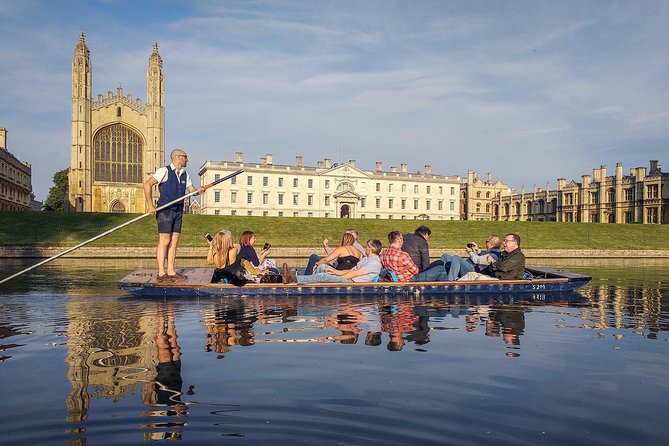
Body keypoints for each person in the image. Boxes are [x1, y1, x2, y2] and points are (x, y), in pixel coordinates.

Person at [144, 148, 204, 282]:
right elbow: (147, 184)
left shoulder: (184, 174)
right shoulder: (164, 171)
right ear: (177, 157)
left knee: (174, 242)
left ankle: (171, 271)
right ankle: (161, 272)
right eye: (185, 157)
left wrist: (198, 191)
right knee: (164, 241)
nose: (187, 160)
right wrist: (150, 205)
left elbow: (191, 191)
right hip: (165, 210)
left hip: (178, 210)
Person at [285, 239, 383, 284]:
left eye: (367, 246)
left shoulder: (374, 262)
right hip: (349, 278)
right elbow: (352, 270)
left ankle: (294, 279)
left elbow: (355, 274)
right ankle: (306, 283)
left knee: (322, 276)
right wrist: (335, 272)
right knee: (324, 269)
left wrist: (335, 277)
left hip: (352, 282)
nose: (365, 248)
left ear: (370, 248)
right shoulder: (366, 259)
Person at [458, 233, 526, 281]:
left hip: (504, 280)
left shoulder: (518, 256)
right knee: (471, 274)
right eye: (504, 241)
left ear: (515, 243)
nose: (503, 243)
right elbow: (492, 268)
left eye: (506, 241)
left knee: (480, 279)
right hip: (495, 276)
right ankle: (454, 286)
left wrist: (492, 262)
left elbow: (504, 267)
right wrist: (492, 265)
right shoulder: (505, 254)